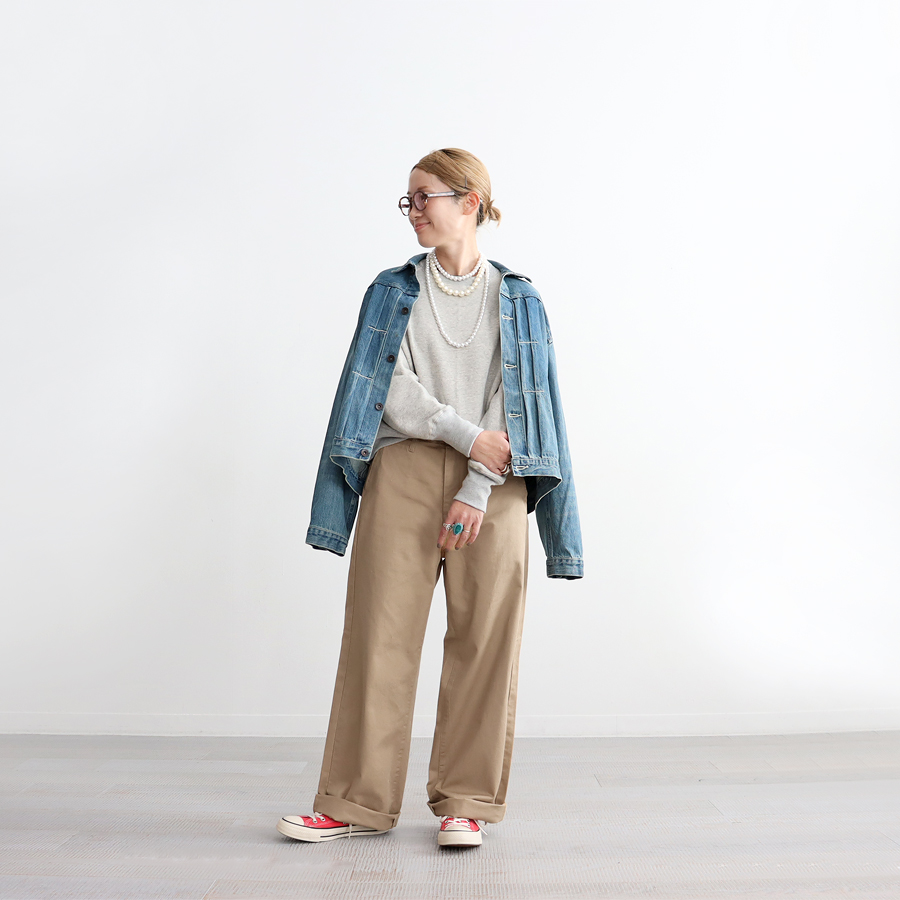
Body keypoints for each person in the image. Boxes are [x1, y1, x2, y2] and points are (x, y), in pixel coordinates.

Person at [277, 148, 583, 848]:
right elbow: (385, 386)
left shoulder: (520, 299)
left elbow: (524, 402)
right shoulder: (391, 291)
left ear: (470, 202)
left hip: (495, 486)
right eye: (408, 200)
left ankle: (465, 803)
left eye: (425, 197)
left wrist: (478, 481)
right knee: (378, 636)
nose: (413, 210)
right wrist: (466, 436)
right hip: (405, 472)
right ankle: (354, 802)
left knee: (485, 643)